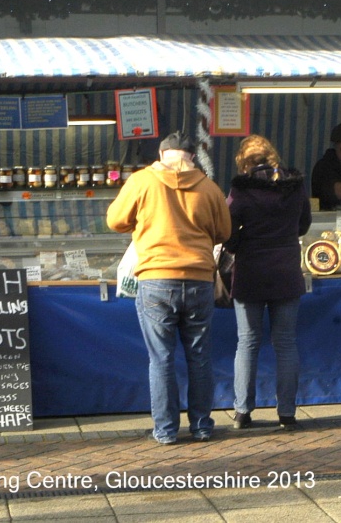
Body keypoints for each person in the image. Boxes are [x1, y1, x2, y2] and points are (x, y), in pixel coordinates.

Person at [106, 131, 231, 444]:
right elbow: (224, 231)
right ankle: (202, 426)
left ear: (162, 155)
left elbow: (115, 220)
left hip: (157, 279)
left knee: (161, 358)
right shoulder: (209, 186)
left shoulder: (141, 181)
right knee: (199, 356)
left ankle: (166, 430)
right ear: (191, 157)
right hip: (200, 279)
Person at [225, 135, 312, 431]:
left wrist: (238, 243)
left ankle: (242, 412)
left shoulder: (241, 188)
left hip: (250, 271)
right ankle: (287, 413)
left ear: (244, 161)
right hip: (286, 270)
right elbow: (304, 224)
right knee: (285, 343)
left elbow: (227, 229)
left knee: (247, 343)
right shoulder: (295, 185)